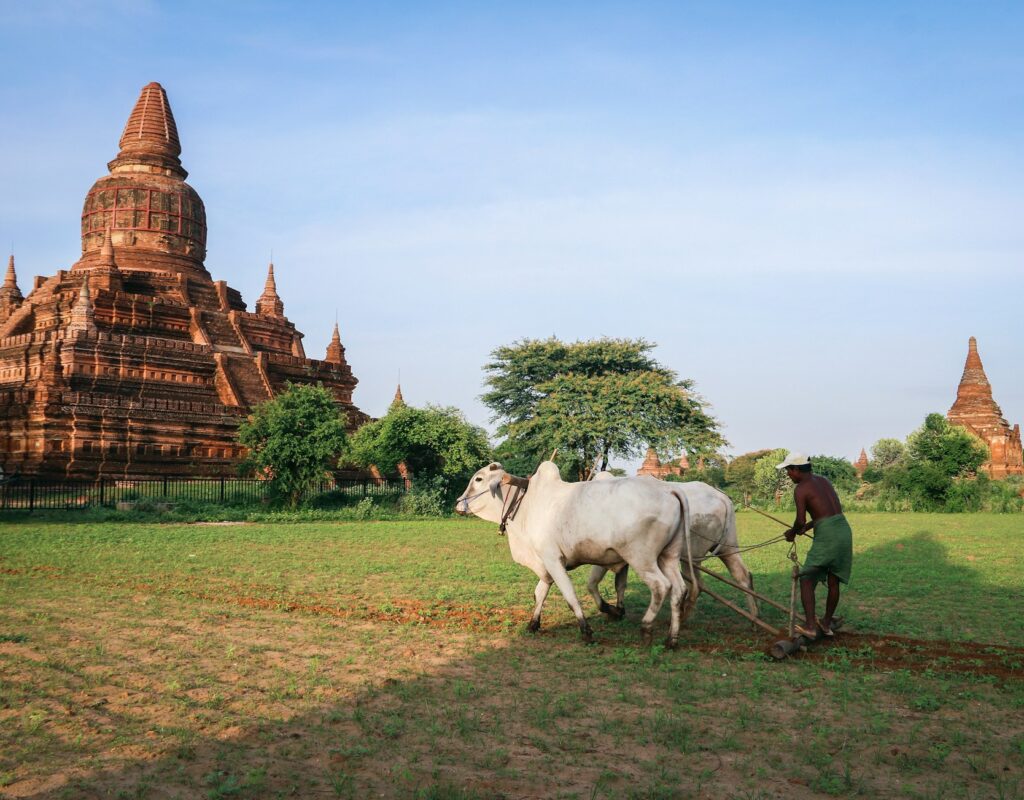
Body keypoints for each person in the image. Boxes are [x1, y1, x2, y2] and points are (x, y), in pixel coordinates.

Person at [777, 452, 853, 639]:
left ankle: (811, 626)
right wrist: (809, 527)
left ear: (796, 469)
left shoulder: (801, 489)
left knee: (807, 579)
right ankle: (825, 623)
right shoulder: (823, 481)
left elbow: (800, 519)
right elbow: (827, 512)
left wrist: (793, 532)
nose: (788, 474)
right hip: (843, 529)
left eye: (788, 470)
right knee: (833, 580)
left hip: (827, 535)